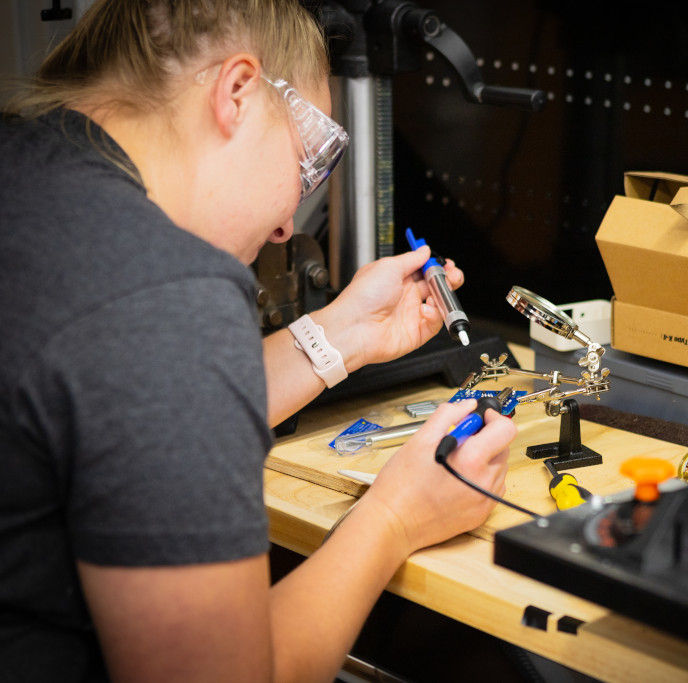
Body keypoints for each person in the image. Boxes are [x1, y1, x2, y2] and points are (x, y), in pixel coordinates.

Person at [0, 1, 516, 680]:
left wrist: (340, 335)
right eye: (307, 167)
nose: (285, 226)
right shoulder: (162, 288)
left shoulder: (28, 170)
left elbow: (123, 404)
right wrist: (396, 515)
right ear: (237, 92)